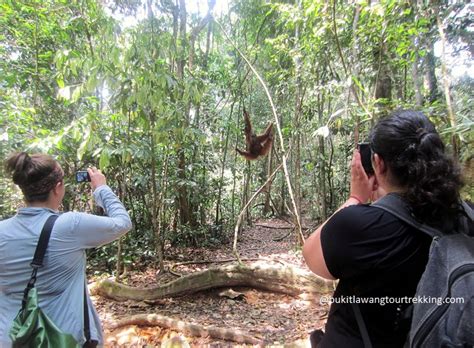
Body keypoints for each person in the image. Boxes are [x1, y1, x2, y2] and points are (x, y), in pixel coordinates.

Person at [303, 110, 470, 347]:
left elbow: (312, 256)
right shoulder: (466, 218)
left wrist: (355, 198)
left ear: (378, 163)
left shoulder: (358, 225)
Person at [0, 152, 132, 347]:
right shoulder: (69, 225)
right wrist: (101, 189)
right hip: (62, 339)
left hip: (11, 338)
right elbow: (122, 223)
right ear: (58, 187)